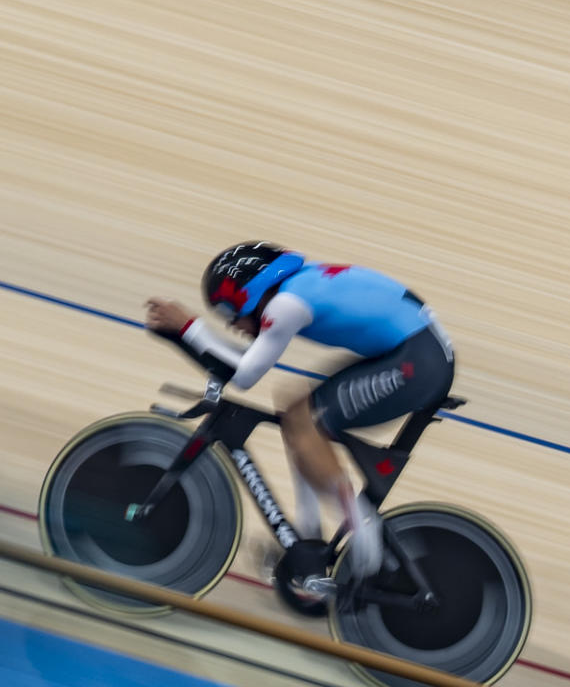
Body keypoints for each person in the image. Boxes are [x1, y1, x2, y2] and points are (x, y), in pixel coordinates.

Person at [144, 244, 454, 593]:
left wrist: (187, 326)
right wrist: (184, 336)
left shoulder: (285, 305)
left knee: (310, 425)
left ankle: (366, 548)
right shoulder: (294, 289)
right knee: (296, 413)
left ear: (252, 292)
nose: (233, 324)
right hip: (415, 351)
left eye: (231, 311)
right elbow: (234, 363)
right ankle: (306, 544)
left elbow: (245, 375)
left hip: (417, 364)